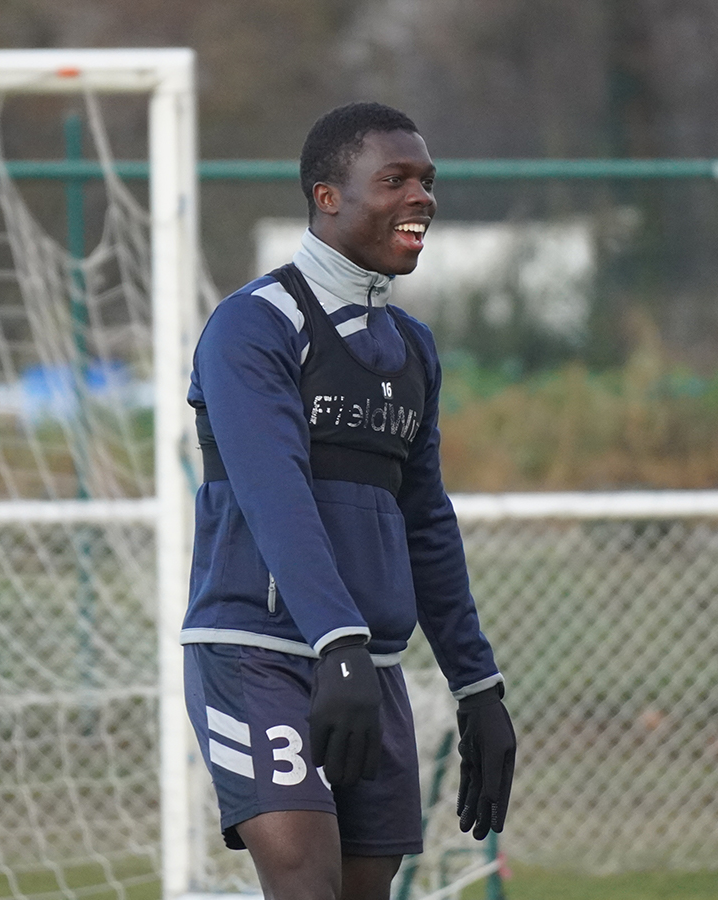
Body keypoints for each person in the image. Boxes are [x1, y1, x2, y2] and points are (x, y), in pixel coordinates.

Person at [182, 101, 515, 900]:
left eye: (427, 182)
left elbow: (426, 521)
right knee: (306, 886)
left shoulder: (413, 350)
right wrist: (337, 642)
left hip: (369, 669)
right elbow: (273, 494)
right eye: (394, 179)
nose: (421, 198)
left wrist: (478, 688)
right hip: (258, 653)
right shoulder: (252, 326)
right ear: (327, 196)